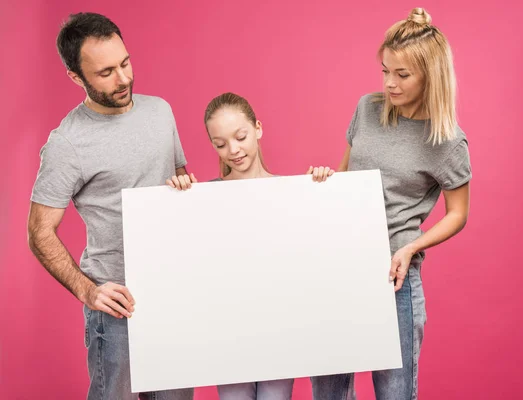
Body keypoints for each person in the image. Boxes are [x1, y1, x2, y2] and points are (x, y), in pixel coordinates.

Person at [27, 12, 194, 400]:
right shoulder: (67, 143)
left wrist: (187, 187)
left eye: (125, 63)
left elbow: (179, 182)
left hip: (173, 293)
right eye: (105, 73)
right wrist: (88, 291)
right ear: (76, 77)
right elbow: (38, 232)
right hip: (117, 306)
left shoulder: (160, 112)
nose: (123, 79)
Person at [310, 7, 472, 400]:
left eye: (402, 75)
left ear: (429, 76)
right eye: (385, 71)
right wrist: (325, 179)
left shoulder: (447, 140)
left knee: (395, 394)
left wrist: (411, 246)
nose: (389, 84)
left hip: (393, 278)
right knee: (328, 392)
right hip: (340, 269)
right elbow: (347, 175)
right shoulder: (367, 109)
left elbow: (458, 213)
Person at [167, 92, 333, 399]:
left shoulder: (291, 192)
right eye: (220, 144)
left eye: (240, 137)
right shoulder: (203, 198)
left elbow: (314, 257)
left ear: (257, 128)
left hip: (280, 331)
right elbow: (185, 263)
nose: (233, 150)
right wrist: (177, 197)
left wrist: (323, 189)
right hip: (227, 333)